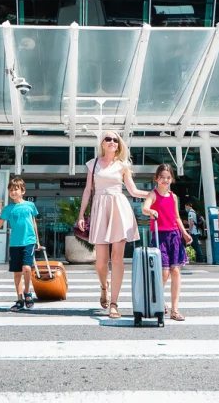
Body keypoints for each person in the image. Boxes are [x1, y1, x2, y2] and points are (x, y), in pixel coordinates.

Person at [76, 131, 149, 319]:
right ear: (102, 143)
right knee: (101, 262)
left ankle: (114, 303)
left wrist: (152, 194)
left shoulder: (123, 165)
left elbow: (132, 190)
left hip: (119, 209)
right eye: (108, 139)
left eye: (115, 139)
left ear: (119, 144)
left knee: (117, 258)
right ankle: (103, 286)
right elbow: (87, 190)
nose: (112, 142)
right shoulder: (93, 164)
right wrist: (81, 214)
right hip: (100, 208)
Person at [142, 164, 193, 321]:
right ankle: (157, 300)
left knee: (176, 271)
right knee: (164, 272)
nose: (165, 180)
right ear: (157, 178)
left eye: (168, 177)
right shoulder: (153, 194)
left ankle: (175, 309)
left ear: (172, 179)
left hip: (174, 236)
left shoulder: (173, 196)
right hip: (159, 236)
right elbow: (144, 208)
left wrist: (185, 233)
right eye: (162, 177)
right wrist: (151, 211)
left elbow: (177, 217)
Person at [0, 177, 42, 311]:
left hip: (29, 241)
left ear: (23, 191)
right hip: (14, 244)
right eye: (11, 190)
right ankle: (19, 299)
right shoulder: (8, 209)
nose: (13, 192)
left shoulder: (30, 206)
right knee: (17, 272)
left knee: (26, 268)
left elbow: (34, 222)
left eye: (16, 189)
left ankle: (27, 293)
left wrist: (37, 240)